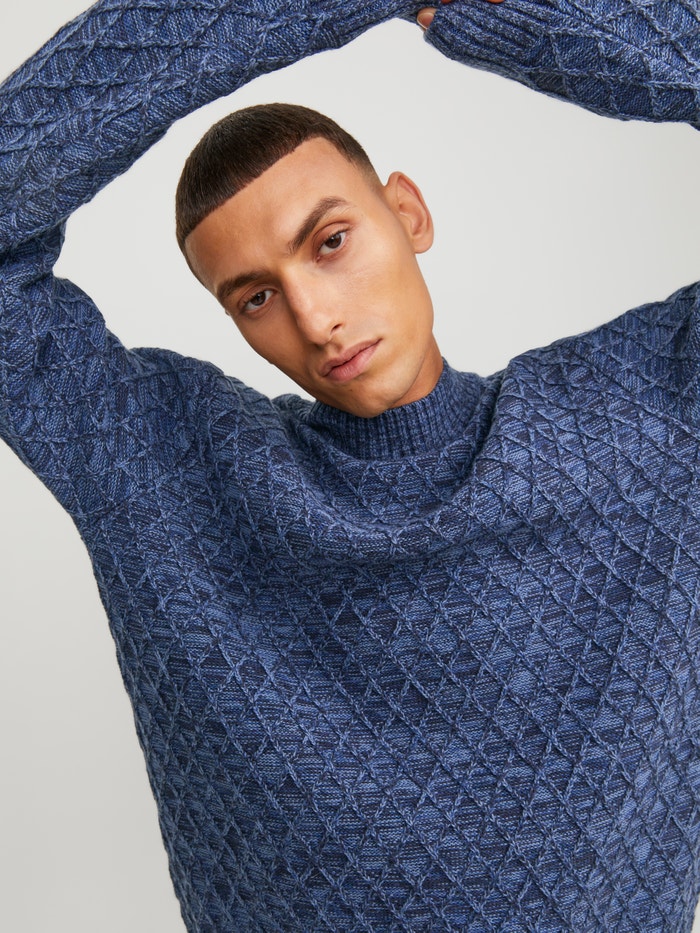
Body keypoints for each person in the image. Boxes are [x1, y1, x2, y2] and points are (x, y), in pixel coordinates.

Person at [1, 0, 699, 931]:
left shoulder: (645, 413)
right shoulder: (165, 468)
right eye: (256, 297)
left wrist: (527, 19)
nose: (317, 318)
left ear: (407, 212)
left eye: (330, 242)